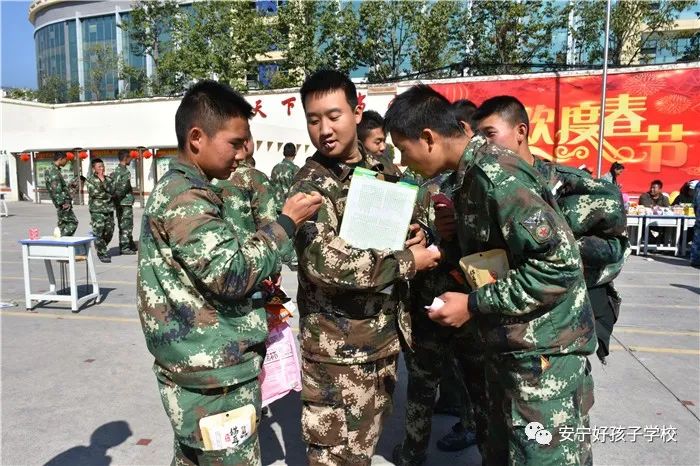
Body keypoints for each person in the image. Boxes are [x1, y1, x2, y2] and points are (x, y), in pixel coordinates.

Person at [385, 85, 596, 465]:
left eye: (404, 149)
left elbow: (559, 266)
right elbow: (497, 254)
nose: (403, 161)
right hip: (510, 347)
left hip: (543, 357)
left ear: (428, 138)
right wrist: (443, 246)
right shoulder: (469, 176)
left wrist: (472, 303)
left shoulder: (496, 176)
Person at [137, 81, 321, 466]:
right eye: (234, 143)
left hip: (197, 368)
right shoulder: (185, 196)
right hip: (216, 376)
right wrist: (286, 223)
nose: (242, 154)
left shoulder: (187, 187)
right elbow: (230, 272)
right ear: (197, 138)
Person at [289, 70, 441, 466]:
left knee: (364, 449)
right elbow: (325, 264)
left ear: (357, 112)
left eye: (333, 115)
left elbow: (416, 212)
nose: (324, 129)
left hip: (383, 343)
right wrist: (408, 261)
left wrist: (417, 232)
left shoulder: (384, 169)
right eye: (313, 119)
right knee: (335, 458)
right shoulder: (310, 185)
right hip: (336, 357)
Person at [473, 94, 629, 364]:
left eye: (490, 134)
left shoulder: (567, 184)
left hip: (562, 327)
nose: (483, 145)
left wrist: (558, 246)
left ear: (521, 131)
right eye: (479, 137)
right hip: (509, 323)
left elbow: (616, 248)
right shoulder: (484, 188)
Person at [85, 158, 115, 263]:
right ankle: (102, 252)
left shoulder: (109, 179)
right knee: (99, 232)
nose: (102, 168)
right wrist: (107, 193)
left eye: (103, 166)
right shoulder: (90, 180)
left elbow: (112, 191)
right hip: (97, 210)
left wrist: (103, 181)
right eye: (99, 167)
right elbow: (95, 193)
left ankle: (102, 246)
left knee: (109, 232)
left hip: (109, 209)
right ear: (94, 169)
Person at [358, 110, 403, 177]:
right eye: (378, 142)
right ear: (360, 141)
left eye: (384, 141)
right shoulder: (356, 167)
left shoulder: (388, 163)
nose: (383, 147)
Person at [44, 152, 79, 236]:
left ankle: (60, 240)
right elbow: (56, 189)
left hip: (60, 202)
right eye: (65, 160)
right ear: (60, 159)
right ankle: (62, 238)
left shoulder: (51, 169)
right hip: (62, 203)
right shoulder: (53, 171)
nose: (66, 162)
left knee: (63, 223)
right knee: (72, 222)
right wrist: (63, 203)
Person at [111, 150, 137, 255]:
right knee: (127, 225)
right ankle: (125, 248)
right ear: (126, 158)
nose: (131, 160)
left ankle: (129, 244)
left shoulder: (115, 171)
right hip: (125, 203)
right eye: (130, 158)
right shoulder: (125, 172)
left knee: (123, 224)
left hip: (119, 203)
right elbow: (121, 189)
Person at [270, 142, 300, 213]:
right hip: (288, 208)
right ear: (295, 154)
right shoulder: (295, 169)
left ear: (283, 153)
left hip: (275, 207)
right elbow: (297, 189)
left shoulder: (275, 168)